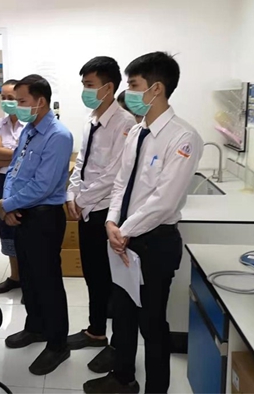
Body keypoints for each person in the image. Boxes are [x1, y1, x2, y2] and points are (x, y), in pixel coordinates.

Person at [83, 52, 204, 394]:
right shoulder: (137, 132)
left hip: (155, 243)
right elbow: (121, 183)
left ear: (157, 89)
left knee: (152, 323)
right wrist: (111, 222)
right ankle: (123, 378)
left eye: (134, 85)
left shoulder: (183, 137)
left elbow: (164, 201)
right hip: (124, 238)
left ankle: (156, 389)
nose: (129, 93)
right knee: (122, 314)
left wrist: (122, 230)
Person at [0, 75, 73, 376]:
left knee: (47, 281)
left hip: (44, 216)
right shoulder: (29, 130)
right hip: (22, 212)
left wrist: (8, 205)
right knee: (28, 277)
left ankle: (58, 344)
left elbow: (44, 185)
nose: (17, 106)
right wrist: (7, 203)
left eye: (22, 101)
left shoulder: (58, 135)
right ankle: (36, 326)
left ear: (40, 101)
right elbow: (14, 170)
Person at [66, 58, 136, 368]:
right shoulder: (91, 120)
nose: (85, 91)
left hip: (107, 211)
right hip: (86, 208)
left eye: (89, 85)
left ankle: (118, 346)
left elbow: (114, 173)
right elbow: (82, 161)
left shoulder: (125, 124)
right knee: (92, 274)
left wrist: (83, 199)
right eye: (83, 85)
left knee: (113, 282)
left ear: (108, 88)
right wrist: (72, 194)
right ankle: (95, 331)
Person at [0, 79, 25, 295]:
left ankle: (29, 279)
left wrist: (3, 161)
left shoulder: (29, 124)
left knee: (23, 227)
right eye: (3, 97)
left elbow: (29, 156)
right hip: (3, 181)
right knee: (6, 228)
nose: (6, 101)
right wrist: (15, 155)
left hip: (23, 181)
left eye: (11, 98)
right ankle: (15, 276)